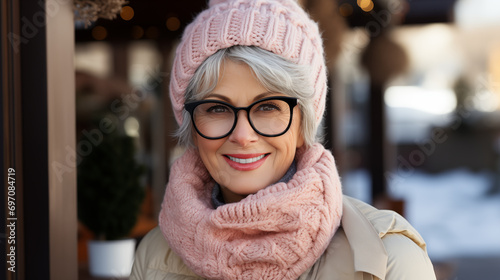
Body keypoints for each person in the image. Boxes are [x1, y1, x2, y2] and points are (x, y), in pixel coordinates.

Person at [130, 0, 437, 279]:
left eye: (267, 107)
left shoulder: (388, 259)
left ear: (304, 119)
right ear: (191, 125)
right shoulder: (156, 254)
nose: (242, 135)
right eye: (217, 108)